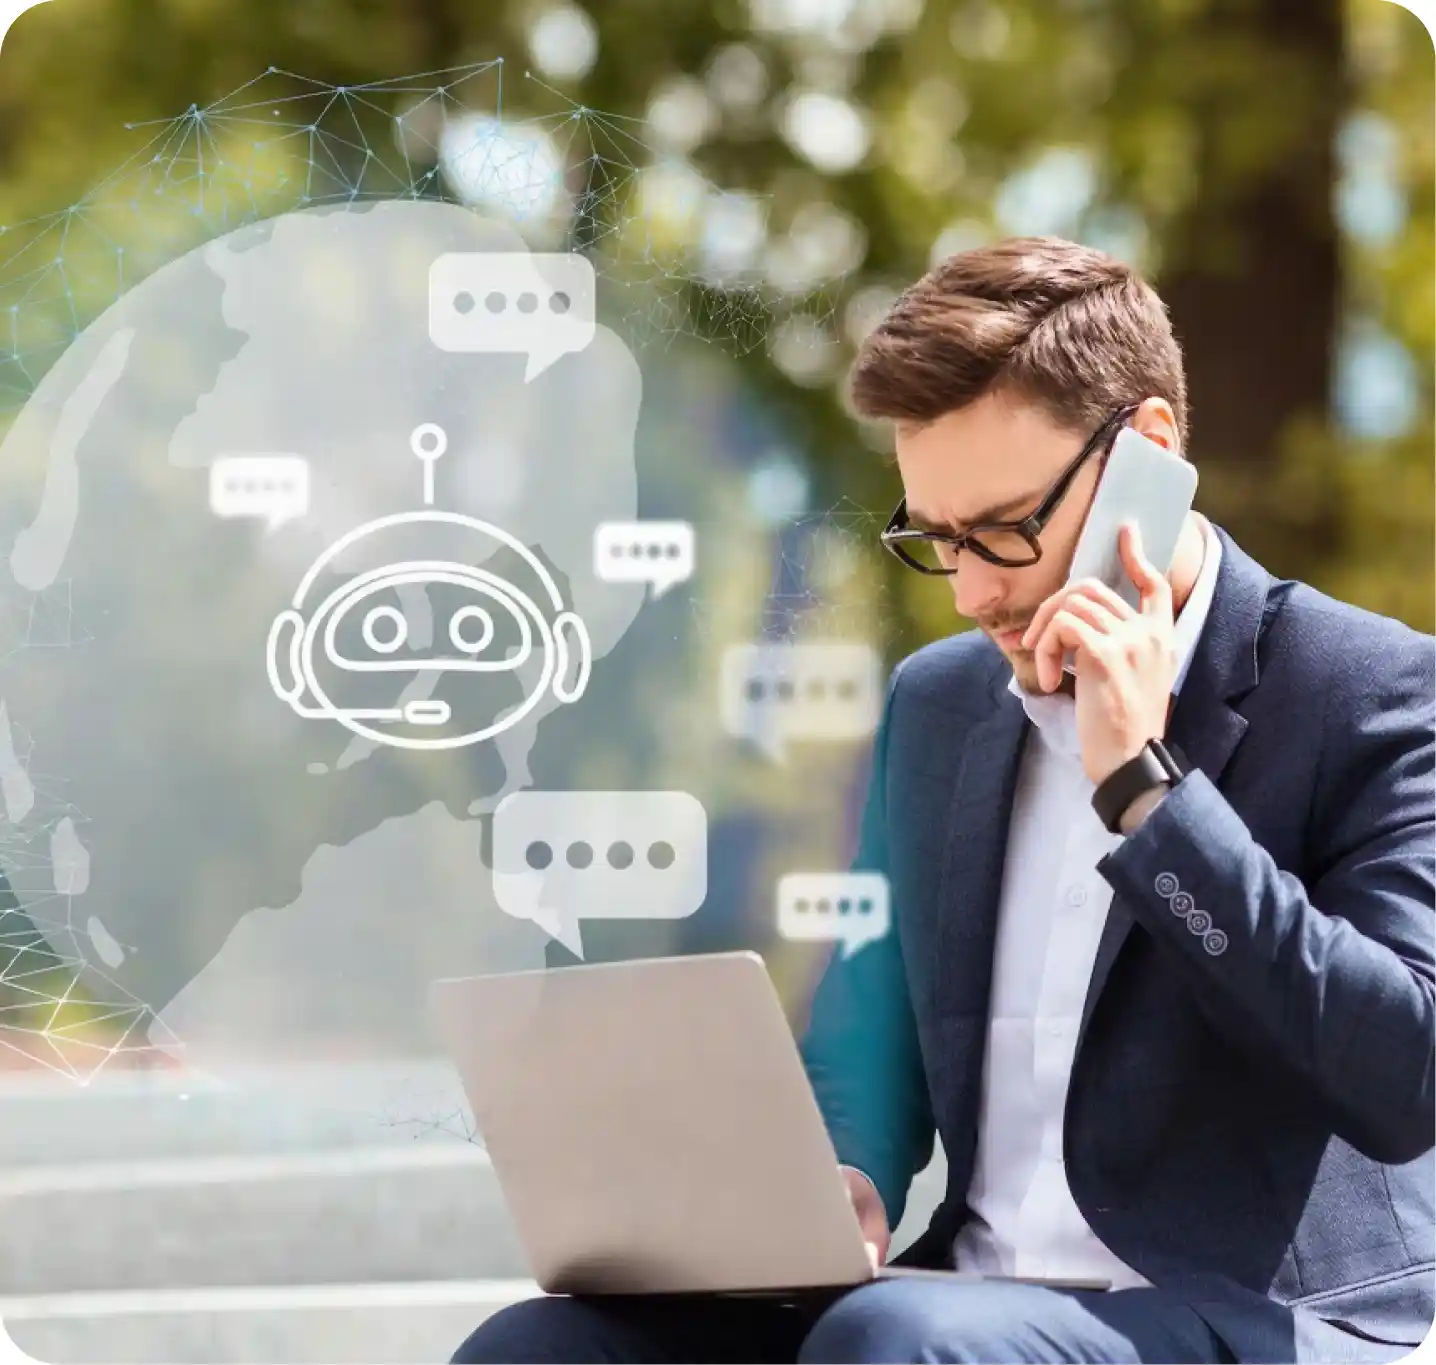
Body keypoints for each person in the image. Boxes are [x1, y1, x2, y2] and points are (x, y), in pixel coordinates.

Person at [450, 237, 1435, 1364]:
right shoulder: (938, 707)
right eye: (939, 539)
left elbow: (1403, 1077)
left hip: (1258, 1312)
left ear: (1147, 454)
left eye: (1006, 528)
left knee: (898, 1341)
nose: (972, 592)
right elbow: (866, 1031)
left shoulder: (1373, 694)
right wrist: (841, 1180)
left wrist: (1147, 798)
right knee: (535, 1348)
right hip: (957, 1298)